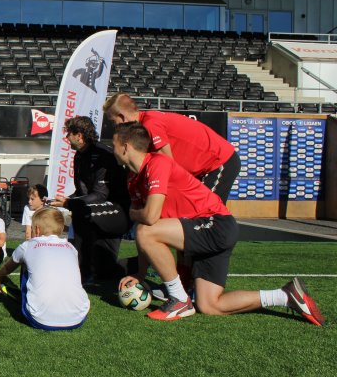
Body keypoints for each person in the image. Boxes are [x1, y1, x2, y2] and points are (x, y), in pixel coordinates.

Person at [113, 122, 325, 325]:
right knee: (211, 305)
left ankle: (179, 300)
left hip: (216, 225)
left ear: (125, 147)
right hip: (206, 230)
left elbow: (149, 218)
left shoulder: (157, 163)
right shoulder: (133, 178)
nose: (111, 148)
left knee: (145, 230)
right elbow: (148, 229)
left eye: (113, 143)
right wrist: (140, 274)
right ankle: (284, 296)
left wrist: (133, 214)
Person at [104, 93, 239, 204]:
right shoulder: (144, 125)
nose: (113, 126)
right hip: (202, 168)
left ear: (122, 117)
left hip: (219, 161)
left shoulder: (150, 124)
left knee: (206, 208)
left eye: (112, 121)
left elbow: (166, 164)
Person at [50, 116, 131, 284]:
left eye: (69, 135)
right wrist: (63, 200)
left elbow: (100, 195)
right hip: (100, 211)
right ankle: (141, 265)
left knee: (81, 212)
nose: (67, 139)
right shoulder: (78, 156)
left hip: (119, 212)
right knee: (105, 273)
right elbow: (82, 192)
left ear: (79, 135)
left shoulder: (103, 154)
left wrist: (70, 203)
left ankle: (81, 272)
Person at [0, 208, 89, 330]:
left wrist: (0, 276)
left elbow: (8, 267)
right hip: (79, 317)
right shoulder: (71, 248)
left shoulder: (28, 245)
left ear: (37, 230)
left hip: (40, 319)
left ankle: (27, 300)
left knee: (24, 262)